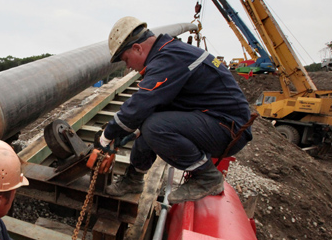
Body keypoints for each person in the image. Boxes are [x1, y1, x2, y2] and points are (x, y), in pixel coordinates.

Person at [100, 16, 252, 204]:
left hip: (228, 129)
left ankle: (207, 177)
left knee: (154, 127)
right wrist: (128, 134)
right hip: (214, 120)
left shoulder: (169, 58)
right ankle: (133, 179)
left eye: (126, 59)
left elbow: (140, 104)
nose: (129, 66)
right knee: (146, 122)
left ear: (137, 48)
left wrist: (107, 135)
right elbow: (148, 109)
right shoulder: (169, 53)